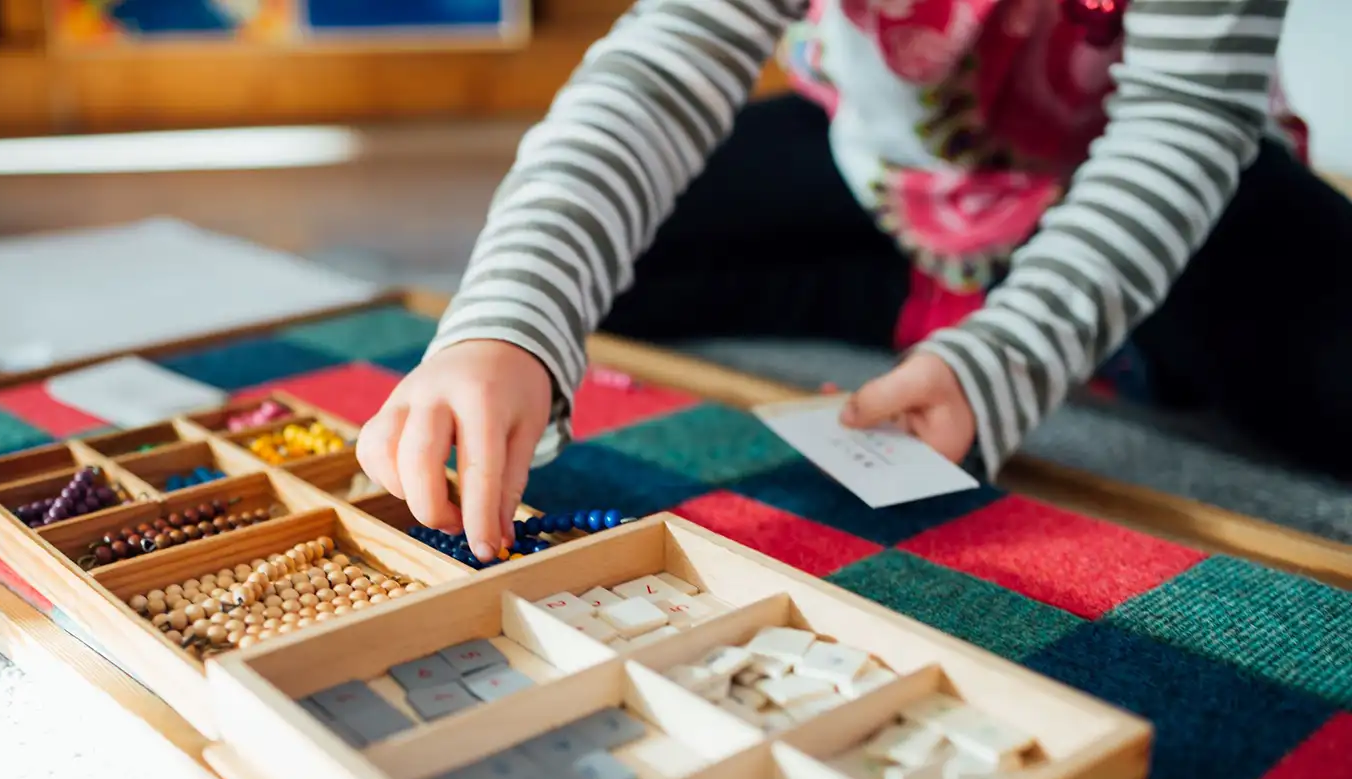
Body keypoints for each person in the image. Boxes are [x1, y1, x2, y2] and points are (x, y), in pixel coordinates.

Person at [357, 0, 1342, 564]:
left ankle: (1045, 308)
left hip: (1150, 181)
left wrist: (1004, 361)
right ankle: (936, 295)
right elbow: (661, 72)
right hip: (888, 169)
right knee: (588, 257)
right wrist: (505, 326)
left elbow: (1181, 121)